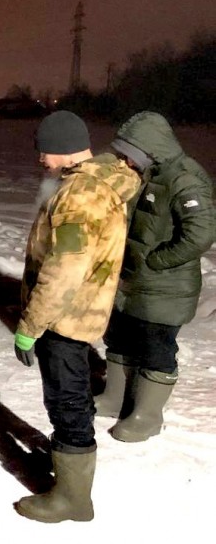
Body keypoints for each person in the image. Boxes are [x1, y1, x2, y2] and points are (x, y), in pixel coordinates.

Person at [12, 110, 140, 523]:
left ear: (62, 149)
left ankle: (72, 498)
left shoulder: (79, 196)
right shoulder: (100, 182)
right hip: (81, 310)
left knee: (65, 397)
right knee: (74, 391)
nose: (40, 161)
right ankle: (68, 454)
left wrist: (30, 326)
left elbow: (64, 268)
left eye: (44, 152)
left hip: (64, 316)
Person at [96, 111, 215, 442]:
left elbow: (201, 233)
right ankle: (116, 397)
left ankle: (147, 415)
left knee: (156, 346)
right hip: (133, 280)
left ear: (149, 150)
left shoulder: (185, 179)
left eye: (130, 155)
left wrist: (158, 261)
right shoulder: (149, 173)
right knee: (119, 335)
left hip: (165, 285)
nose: (126, 162)